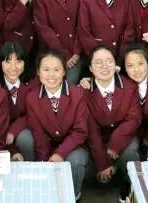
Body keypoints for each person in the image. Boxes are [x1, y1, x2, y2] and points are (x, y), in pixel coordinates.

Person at [26, 50, 89, 201]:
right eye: (46, 70)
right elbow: (38, 134)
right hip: (48, 145)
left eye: (56, 70)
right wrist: (44, 163)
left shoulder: (77, 94)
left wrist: (60, 153)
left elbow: (80, 131)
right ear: (38, 72)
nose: (51, 75)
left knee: (75, 160)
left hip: (74, 146)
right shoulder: (32, 98)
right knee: (26, 138)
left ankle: (74, 196)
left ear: (64, 72)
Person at [85, 46, 141, 203]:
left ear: (115, 64)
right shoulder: (83, 91)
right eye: (99, 62)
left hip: (124, 136)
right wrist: (102, 163)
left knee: (130, 153)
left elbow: (134, 118)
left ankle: (130, 188)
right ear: (90, 68)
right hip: (97, 140)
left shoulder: (129, 86)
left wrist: (115, 144)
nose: (105, 66)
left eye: (109, 61)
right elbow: (91, 129)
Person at [33, 0, 84, 83]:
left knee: (73, 88)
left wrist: (77, 51)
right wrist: (64, 54)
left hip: (77, 52)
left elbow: (83, 21)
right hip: (52, 53)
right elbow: (43, 28)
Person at [0, 42, 36, 161]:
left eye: (18, 61)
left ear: (25, 63)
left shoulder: (32, 85)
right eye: (8, 61)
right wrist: (13, 150)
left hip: (28, 135)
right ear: (0, 63)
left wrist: (13, 131)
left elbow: (32, 115)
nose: (13, 67)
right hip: (3, 142)